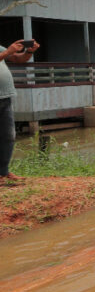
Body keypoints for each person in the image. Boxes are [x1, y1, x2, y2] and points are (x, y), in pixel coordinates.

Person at [0, 38, 41, 183]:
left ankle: (3, 172)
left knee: (8, 135)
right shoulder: (3, 50)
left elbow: (19, 59)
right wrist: (7, 51)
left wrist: (28, 51)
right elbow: (7, 54)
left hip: (5, 97)